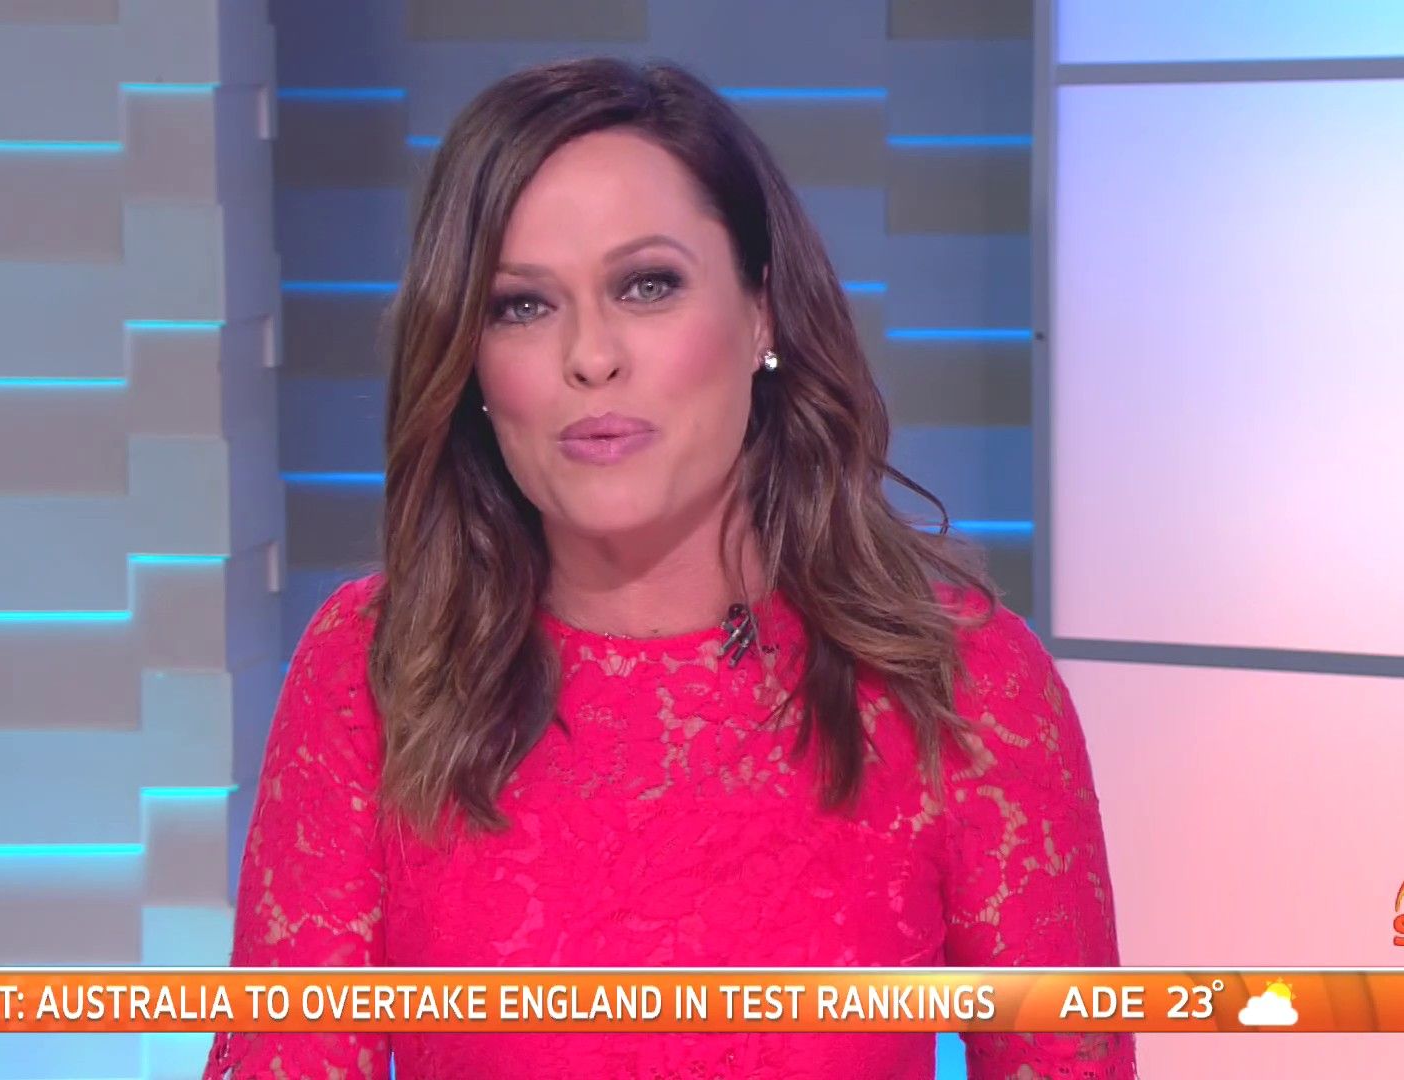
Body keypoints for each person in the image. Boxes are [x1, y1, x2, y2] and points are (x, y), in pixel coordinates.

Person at [206, 56, 1133, 1080]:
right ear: (471, 363)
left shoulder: (961, 686)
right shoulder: (374, 671)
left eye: (647, 286)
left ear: (761, 314)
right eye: (522, 305)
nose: (591, 356)